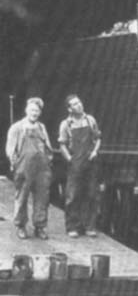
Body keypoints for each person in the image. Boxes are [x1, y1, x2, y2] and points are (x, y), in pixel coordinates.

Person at [5, 97, 54, 239]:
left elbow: (48, 146)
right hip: (24, 168)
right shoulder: (17, 127)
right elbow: (10, 149)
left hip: (42, 169)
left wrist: (48, 161)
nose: (34, 113)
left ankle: (40, 227)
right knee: (21, 198)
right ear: (27, 110)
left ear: (40, 112)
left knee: (42, 198)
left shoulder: (42, 127)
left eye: (37, 110)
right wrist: (15, 164)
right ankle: (21, 226)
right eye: (32, 109)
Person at [58, 94, 102, 238]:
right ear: (69, 109)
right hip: (75, 162)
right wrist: (70, 159)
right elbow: (62, 145)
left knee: (91, 194)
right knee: (72, 195)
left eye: (79, 102)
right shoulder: (66, 124)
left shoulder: (90, 120)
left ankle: (89, 226)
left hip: (90, 162)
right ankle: (72, 227)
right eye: (75, 104)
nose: (79, 105)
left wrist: (95, 151)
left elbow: (97, 139)